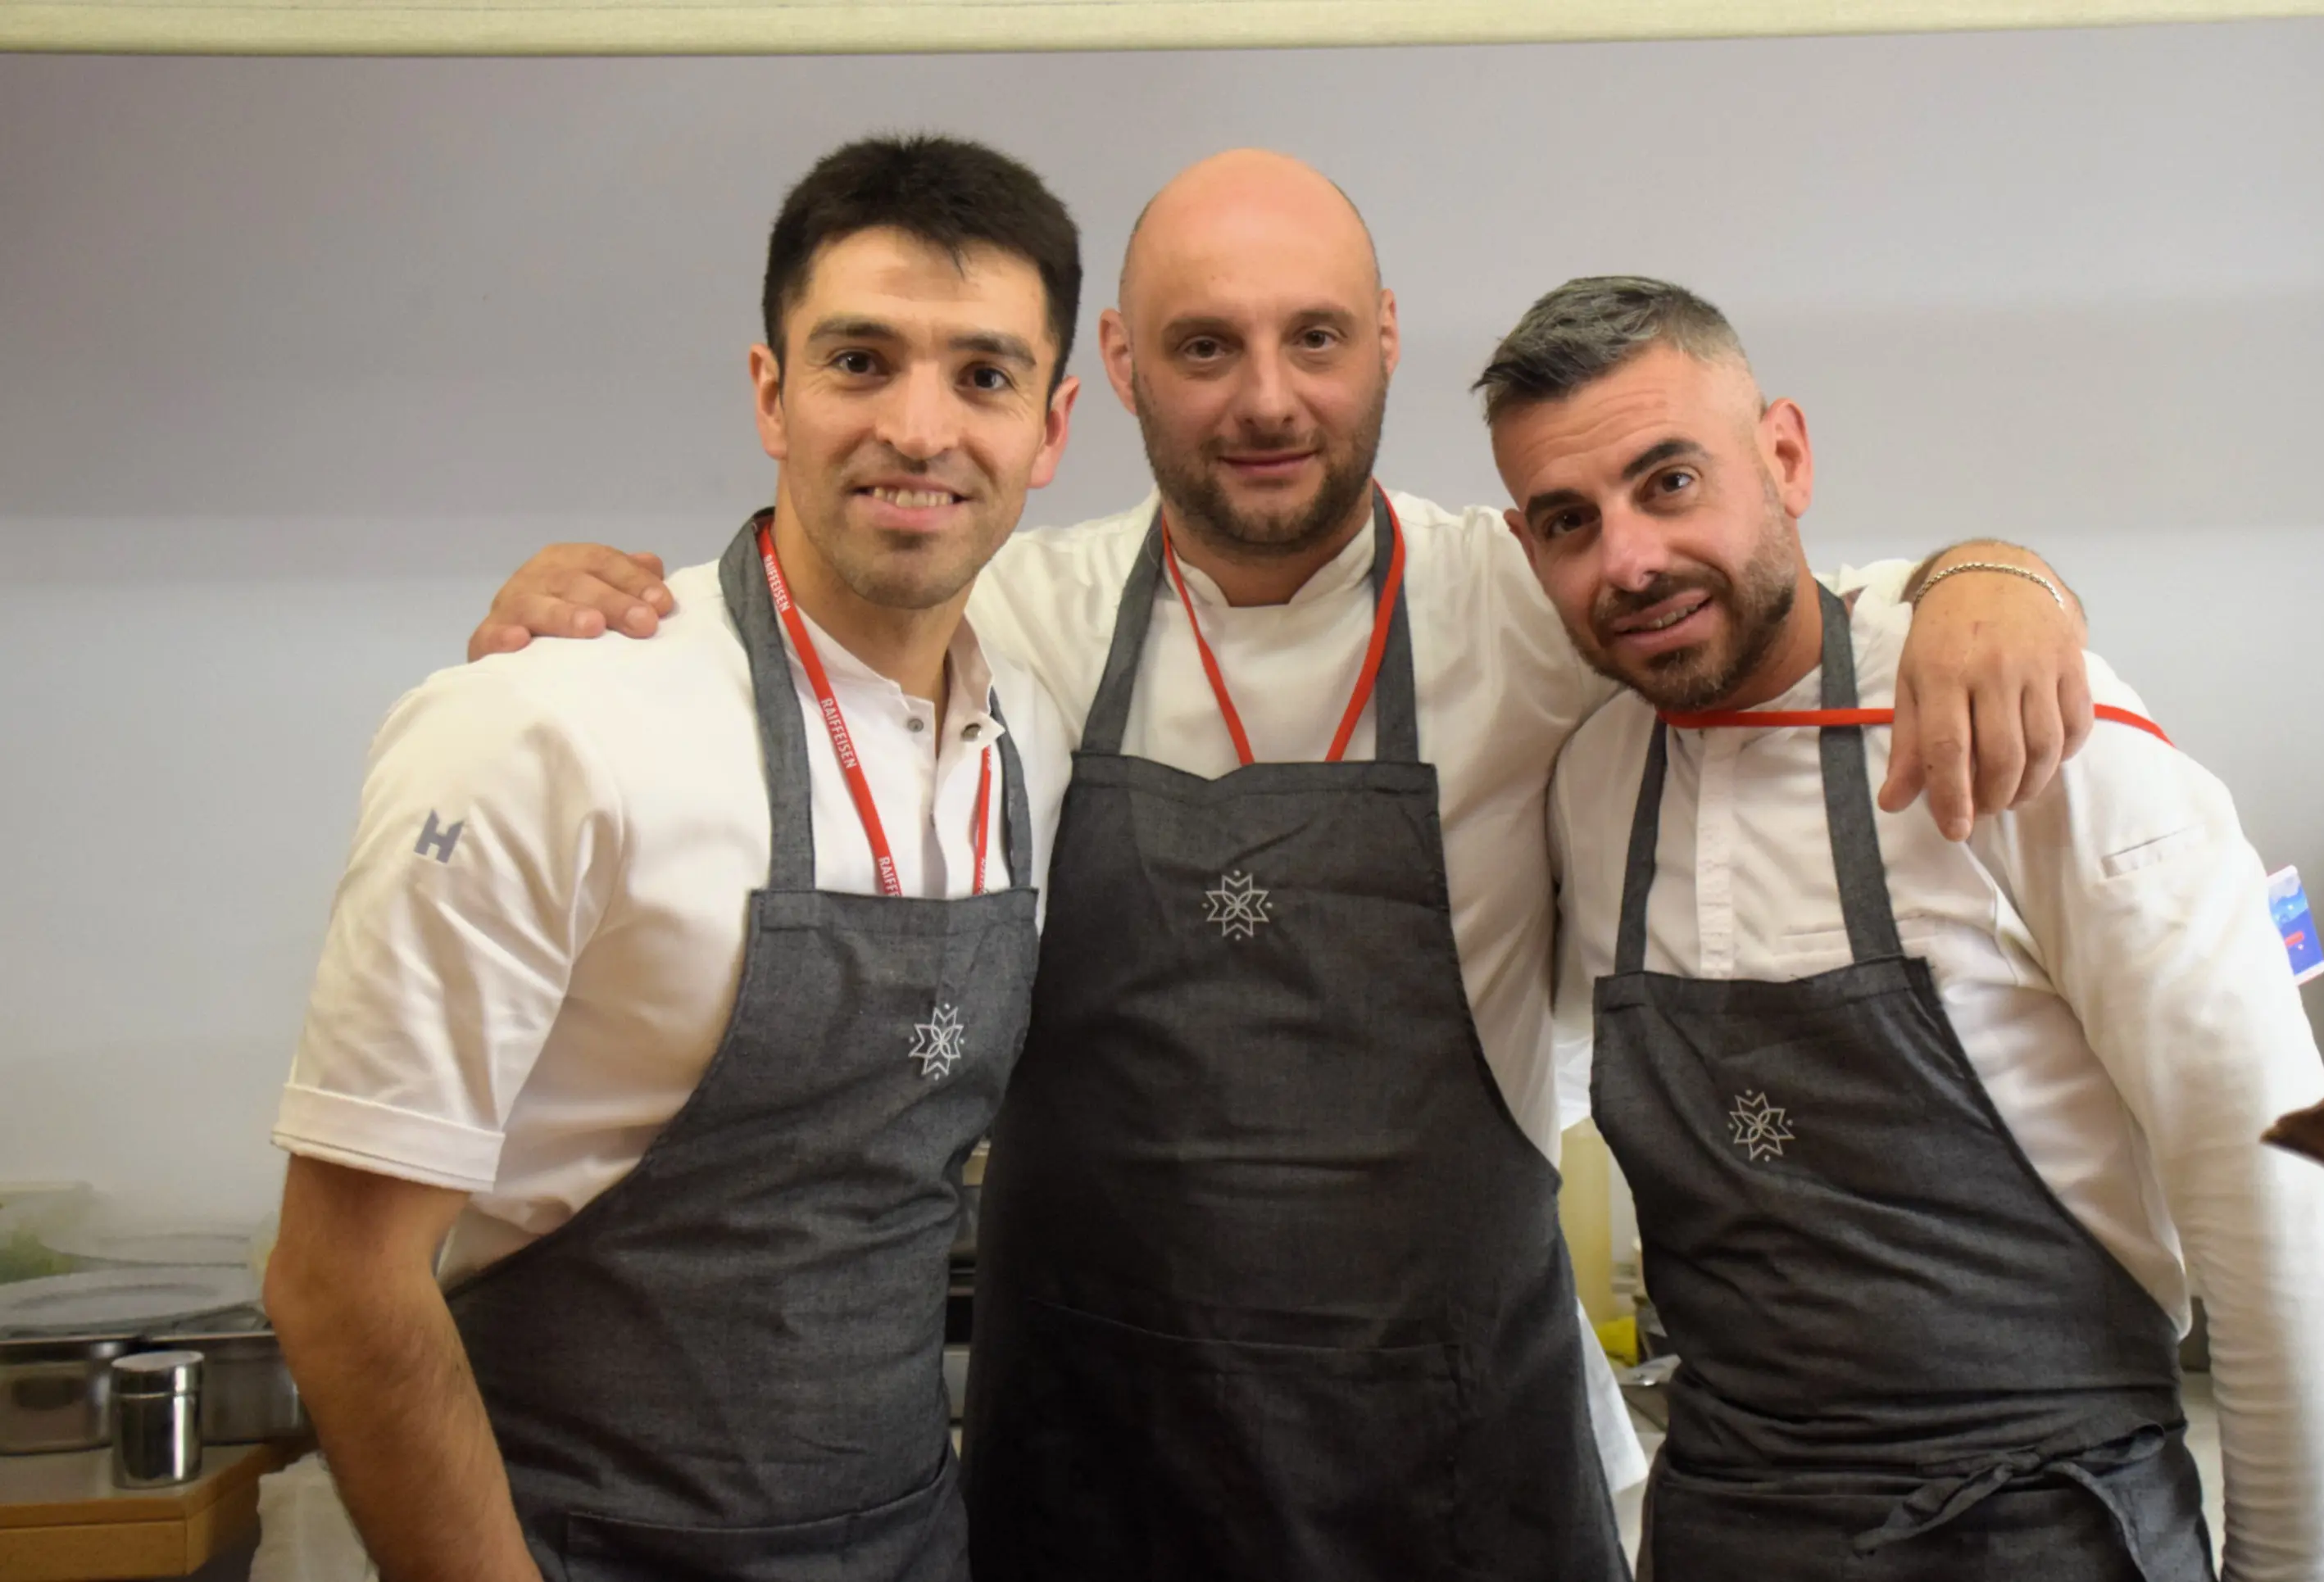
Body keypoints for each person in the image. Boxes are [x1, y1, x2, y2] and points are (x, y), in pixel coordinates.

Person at [468, 149, 2097, 1578]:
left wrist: (1992, 572)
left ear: (1383, 339)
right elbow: (799, 606)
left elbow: (1745, 588)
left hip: (1458, 1471)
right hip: (1088, 1469)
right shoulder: (1013, 616)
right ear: (1111, 371)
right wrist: (606, 611)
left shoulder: (1522, 599)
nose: (1266, 397)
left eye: (1314, 337)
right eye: (1203, 347)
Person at [261, 136, 1083, 1582]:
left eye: (983, 376)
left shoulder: (1036, 730)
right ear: (771, 393)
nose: (919, 426)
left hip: (909, 1541)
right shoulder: (547, 724)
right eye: (859, 360)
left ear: (1052, 425)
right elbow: (337, 1282)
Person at [1491, 275, 2324, 1580]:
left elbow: (2284, 1220)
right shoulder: (1590, 784)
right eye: (1572, 521)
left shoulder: (2036, 730)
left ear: (1785, 457)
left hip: (2046, 1530)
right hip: (1730, 1532)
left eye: (1671, 481)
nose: (1627, 557)